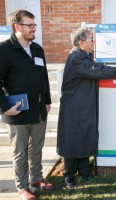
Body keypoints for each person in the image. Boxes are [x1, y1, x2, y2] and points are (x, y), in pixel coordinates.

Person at [57, 27, 116, 188]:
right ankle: (69, 175)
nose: (94, 42)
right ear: (81, 43)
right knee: (72, 139)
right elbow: (99, 71)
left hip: (84, 104)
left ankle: (84, 171)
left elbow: (98, 68)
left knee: (84, 135)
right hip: (74, 107)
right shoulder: (76, 57)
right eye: (91, 39)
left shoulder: (84, 56)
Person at [0, 10, 53, 200]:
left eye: (34, 25)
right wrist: (5, 107)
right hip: (17, 111)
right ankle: (22, 187)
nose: (33, 29)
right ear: (17, 27)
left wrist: (47, 100)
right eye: (29, 25)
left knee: (36, 147)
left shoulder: (37, 49)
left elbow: (43, 77)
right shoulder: (4, 50)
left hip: (38, 109)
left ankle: (37, 178)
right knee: (20, 152)